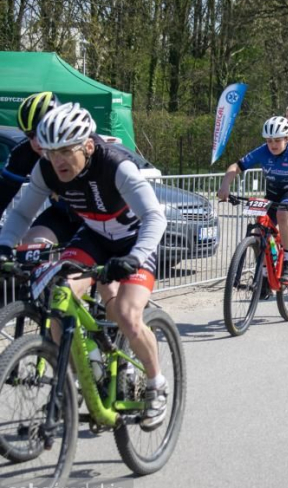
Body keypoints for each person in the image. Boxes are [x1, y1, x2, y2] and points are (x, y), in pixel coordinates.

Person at [0, 103, 169, 430]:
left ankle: (156, 384)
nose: (58, 160)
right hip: (93, 238)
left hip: (135, 242)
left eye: (66, 151)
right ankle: (87, 373)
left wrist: (133, 258)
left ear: (88, 146)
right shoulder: (46, 169)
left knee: (128, 314)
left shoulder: (116, 165)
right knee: (59, 300)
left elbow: (154, 217)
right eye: (51, 152)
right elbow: (21, 214)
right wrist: (6, 248)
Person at [218, 116, 288, 283]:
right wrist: (225, 186)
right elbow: (236, 167)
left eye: (277, 140)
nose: (273, 145)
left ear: (287, 139)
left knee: (283, 214)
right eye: (269, 140)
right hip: (272, 193)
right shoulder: (263, 150)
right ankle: (265, 274)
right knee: (259, 232)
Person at [0, 92, 84, 246]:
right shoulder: (23, 153)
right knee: (30, 246)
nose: (36, 141)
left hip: (100, 218)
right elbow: (3, 195)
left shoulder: (82, 149)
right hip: (61, 214)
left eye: (41, 131)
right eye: (30, 135)